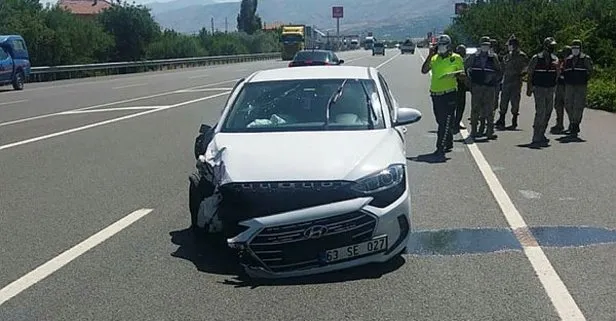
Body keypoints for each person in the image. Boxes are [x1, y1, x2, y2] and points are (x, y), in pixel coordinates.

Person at [421, 34, 465, 156]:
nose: (441, 47)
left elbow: (463, 75)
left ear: (449, 46)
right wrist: (430, 55)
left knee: (446, 121)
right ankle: (448, 140)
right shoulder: (434, 58)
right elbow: (424, 70)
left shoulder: (456, 58)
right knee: (440, 120)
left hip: (450, 94)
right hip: (436, 94)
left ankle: (440, 147)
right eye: (439, 45)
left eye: (443, 45)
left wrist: (458, 75)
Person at [465, 36, 501, 140]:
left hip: (489, 88)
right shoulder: (473, 56)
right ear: (480, 46)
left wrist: (493, 80)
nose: (485, 47)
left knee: (489, 110)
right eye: (483, 45)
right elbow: (465, 66)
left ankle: (489, 132)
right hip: (477, 86)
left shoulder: (493, 57)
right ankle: (474, 131)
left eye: (487, 45)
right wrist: (469, 81)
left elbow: (498, 71)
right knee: (475, 109)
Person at [526, 37, 560, 146]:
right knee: (541, 111)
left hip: (550, 88)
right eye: (551, 46)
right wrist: (529, 88)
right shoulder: (536, 58)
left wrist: (555, 84)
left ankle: (542, 133)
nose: (552, 48)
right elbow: (530, 73)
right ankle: (536, 135)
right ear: (545, 46)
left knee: (548, 111)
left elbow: (558, 73)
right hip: (539, 88)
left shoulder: (555, 59)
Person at [495, 34, 529, 130]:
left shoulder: (522, 56)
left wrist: (521, 75)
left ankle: (514, 120)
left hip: (516, 82)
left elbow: (527, 67)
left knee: (515, 101)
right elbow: (503, 67)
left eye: (510, 45)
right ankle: (501, 119)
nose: (509, 47)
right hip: (506, 81)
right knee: (503, 100)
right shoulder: (507, 56)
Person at [562, 39, 593, 136]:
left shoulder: (585, 58)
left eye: (577, 47)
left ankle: (575, 124)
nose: (575, 49)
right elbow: (564, 70)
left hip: (581, 85)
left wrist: (585, 78)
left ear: (580, 48)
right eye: (573, 47)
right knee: (568, 104)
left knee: (578, 105)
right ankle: (572, 121)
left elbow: (591, 71)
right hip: (569, 85)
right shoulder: (568, 59)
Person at [550, 45, 572, 134]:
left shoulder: (571, 62)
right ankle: (559, 124)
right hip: (559, 85)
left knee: (568, 106)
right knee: (558, 105)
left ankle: (572, 124)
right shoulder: (561, 61)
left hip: (567, 86)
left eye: (564, 52)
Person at [453, 44, 469, 133]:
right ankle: (454, 124)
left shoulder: (466, 61)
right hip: (454, 86)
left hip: (462, 87)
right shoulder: (454, 60)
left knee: (460, 106)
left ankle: (457, 123)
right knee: (455, 107)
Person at [490, 38, 503, 114]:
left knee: (495, 99)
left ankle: (492, 113)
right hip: (486, 81)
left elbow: (501, 69)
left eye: (494, 45)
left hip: (495, 81)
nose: (493, 47)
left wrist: (499, 79)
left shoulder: (499, 56)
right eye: (491, 45)